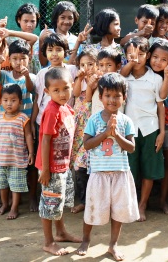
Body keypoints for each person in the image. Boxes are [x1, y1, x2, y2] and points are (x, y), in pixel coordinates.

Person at [75, 73, 138, 261]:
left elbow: (131, 147)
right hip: (99, 174)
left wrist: (116, 134)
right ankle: (85, 240)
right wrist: (105, 133)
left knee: (118, 211)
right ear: (100, 97)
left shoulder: (126, 121)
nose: (112, 100)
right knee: (93, 209)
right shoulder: (94, 120)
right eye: (108, 95)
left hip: (120, 173)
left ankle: (113, 245)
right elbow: (86, 144)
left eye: (117, 96)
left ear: (124, 98)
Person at [36, 67, 82, 256]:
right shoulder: (52, 111)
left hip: (62, 165)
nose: (62, 93)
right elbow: (46, 140)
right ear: (47, 92)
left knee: (59, 202)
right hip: (51, 167)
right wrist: (46, 170)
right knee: (49, 205)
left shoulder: (67, 108)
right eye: (56, 90)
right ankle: (48, 242)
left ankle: (61, 232)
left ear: (72, 86)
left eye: (65, 88)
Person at [123, 37, 165, 221]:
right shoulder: (123, 77)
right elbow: (120, 75)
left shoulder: (155, 79)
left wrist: (162, 132)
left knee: (149, 170)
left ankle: (142, 205)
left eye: (140, 54)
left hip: (150, 129)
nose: (136, 58)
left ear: (147, 56)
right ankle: (130, 204)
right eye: (131, 55)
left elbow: (160, 106)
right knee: (129, 169)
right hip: (128, 130)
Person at [0, 84, 34, 219]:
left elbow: (28, 136)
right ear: (1, 101)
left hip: (17, 159)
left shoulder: (23, 118)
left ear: (20, 102)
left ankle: (14, 208)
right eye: (5, 100)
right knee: (2, 185)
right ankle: (5, 204)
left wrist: (31, 153)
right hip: (1, 159)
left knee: (16, 186)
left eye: (13, 100)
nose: (9, 103)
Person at [70, 49, 98, 214]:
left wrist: (90, 81)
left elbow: (88, 99)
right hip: (79, 126)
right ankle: (83, 200)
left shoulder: (98, 80)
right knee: (79, 167)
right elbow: (74, 94)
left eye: (90, 64)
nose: (86, 67)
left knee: (91, 166)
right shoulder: (79, 78)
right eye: (82, 64)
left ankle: (93, 201)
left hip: (91, 127)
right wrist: (80, 79)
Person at [38, 1, 80, 65]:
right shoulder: (46, 34)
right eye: (62, 17)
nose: (66, 21)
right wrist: (41, 41)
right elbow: (43, 63)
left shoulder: (76, 40)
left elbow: (74, 66)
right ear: (56, 18)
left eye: (70, 18)